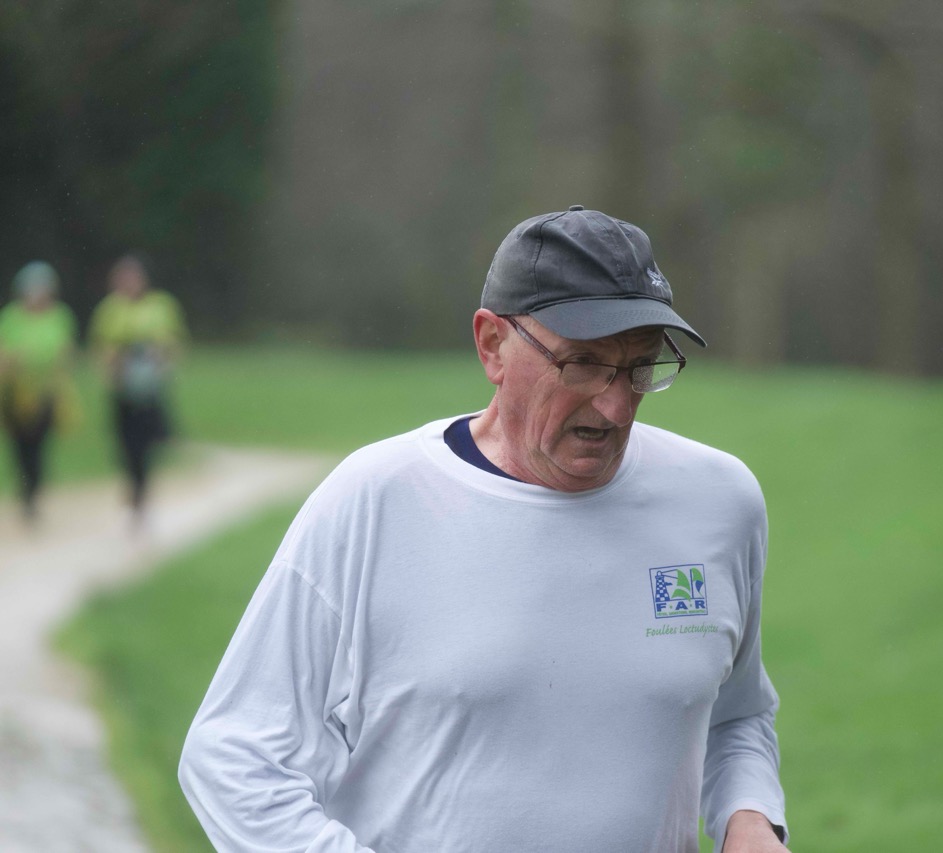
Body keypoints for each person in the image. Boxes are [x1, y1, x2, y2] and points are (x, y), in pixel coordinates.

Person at [179, 206, 790, 853]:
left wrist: (749, 816)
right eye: (583, 363)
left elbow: (737, 714)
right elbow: (233, 755)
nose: (615, 405)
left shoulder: (719, 501)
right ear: (493, 344)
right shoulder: (374, 500)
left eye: (640, 366)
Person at [88, 253, 186, 521]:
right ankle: (135, 490)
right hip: (123, 392)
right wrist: (114, 363)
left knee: (147, 446)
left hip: (150, 391)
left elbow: (174, 343)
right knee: (126, 447)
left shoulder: (161, 306)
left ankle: (141, 493)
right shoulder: (109, 310)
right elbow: (100, 348)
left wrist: (159, 357)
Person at [0, 261, 78, 522]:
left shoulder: (59, 316)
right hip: (16, 394)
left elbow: (66, 353)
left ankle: (33, 490)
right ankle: (26, 490)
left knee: (38, 445)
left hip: (46, 394)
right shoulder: (11, 317)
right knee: (19, 446)